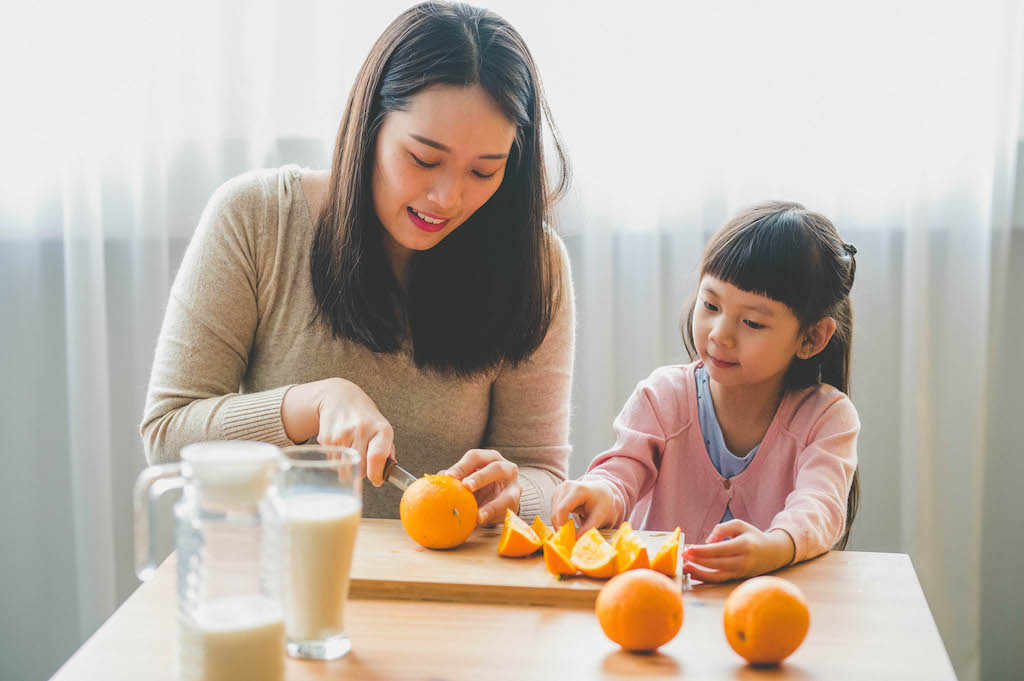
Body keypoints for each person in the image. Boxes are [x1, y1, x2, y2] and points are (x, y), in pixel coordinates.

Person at [141, 1, 575, 526]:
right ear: (370, 125)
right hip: (280, 581)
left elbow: (543, 473)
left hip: (447, 590)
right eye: (423, 159)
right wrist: (312, 404)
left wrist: (514, 493)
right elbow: (167, 438)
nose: (447, 198)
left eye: (484, 172)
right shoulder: (256, 219)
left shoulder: (535, 264)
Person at [550, 201, 860, 582]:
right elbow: (622, 469)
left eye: (752, 322)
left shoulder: (826, 418)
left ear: (812, 337)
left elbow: (820, 505)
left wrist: (775, 546)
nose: (719, 334)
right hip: (654, 602)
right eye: (711, 304)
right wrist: (602, 491)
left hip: (762, 613)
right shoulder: (663, 396)